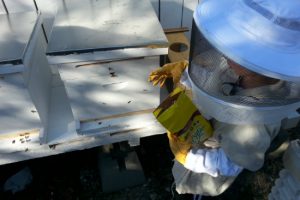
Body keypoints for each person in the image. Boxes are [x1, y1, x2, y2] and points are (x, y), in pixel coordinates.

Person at [149, 0, 300, 198]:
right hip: (201, 134)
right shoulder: (245, 72)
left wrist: (190, 157)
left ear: (259, 62)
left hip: (203, 175)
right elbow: (213, 76)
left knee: (195, 191)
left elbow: (229, 165)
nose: (223, 51)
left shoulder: (253, 127)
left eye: (234, 48)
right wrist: (185, 73)